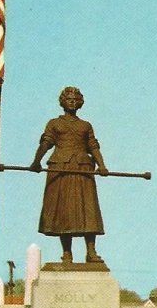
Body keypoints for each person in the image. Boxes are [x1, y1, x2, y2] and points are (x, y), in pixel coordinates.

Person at [30, 87, 108, 263]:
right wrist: (36, 162)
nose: (72, 101)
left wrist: (102, 165)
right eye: (68, 99)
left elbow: (93, 146)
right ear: (62, 102)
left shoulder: (85, 125)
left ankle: (91, 251)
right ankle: (67, 252)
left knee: (88, 210)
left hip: (82, 168)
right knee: (64, 211)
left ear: (79, 102)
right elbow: (46, 143)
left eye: (75, 99)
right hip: (61, 168)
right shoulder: (54, 123)